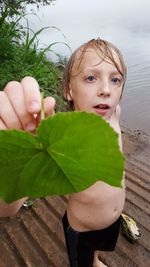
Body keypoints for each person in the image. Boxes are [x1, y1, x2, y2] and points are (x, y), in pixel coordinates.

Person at [0, 38, 127, 267]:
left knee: (97, 254)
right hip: (83, 228)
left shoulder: (114, 114)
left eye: (115, 79)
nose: (106, 90)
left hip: (111, 219)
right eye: (91, 78)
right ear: (69, 89)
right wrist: (22, 141)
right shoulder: (65, 139)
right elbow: (8, 206)